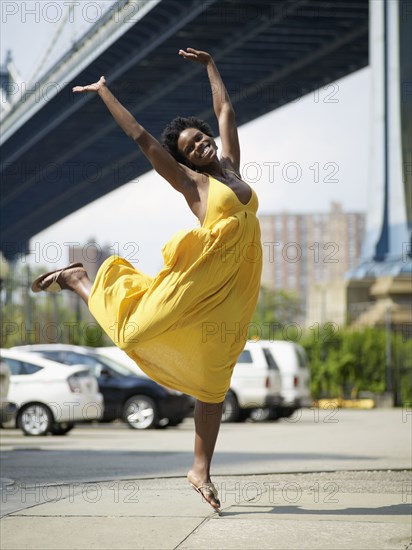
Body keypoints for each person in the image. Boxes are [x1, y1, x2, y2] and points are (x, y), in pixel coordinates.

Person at [32, 48, 262, 512]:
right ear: (188, 162)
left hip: (236, 288)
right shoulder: (195, 187)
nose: (201, 145)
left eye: (200, 138)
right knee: (134, 330)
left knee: (215, 381)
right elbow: (142, 138)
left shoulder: (232, 167)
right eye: (191, 147)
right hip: (196, 283)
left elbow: (225, 111)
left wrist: (212, 65)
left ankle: (200, 470)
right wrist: (104, 93)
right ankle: (80, 281)